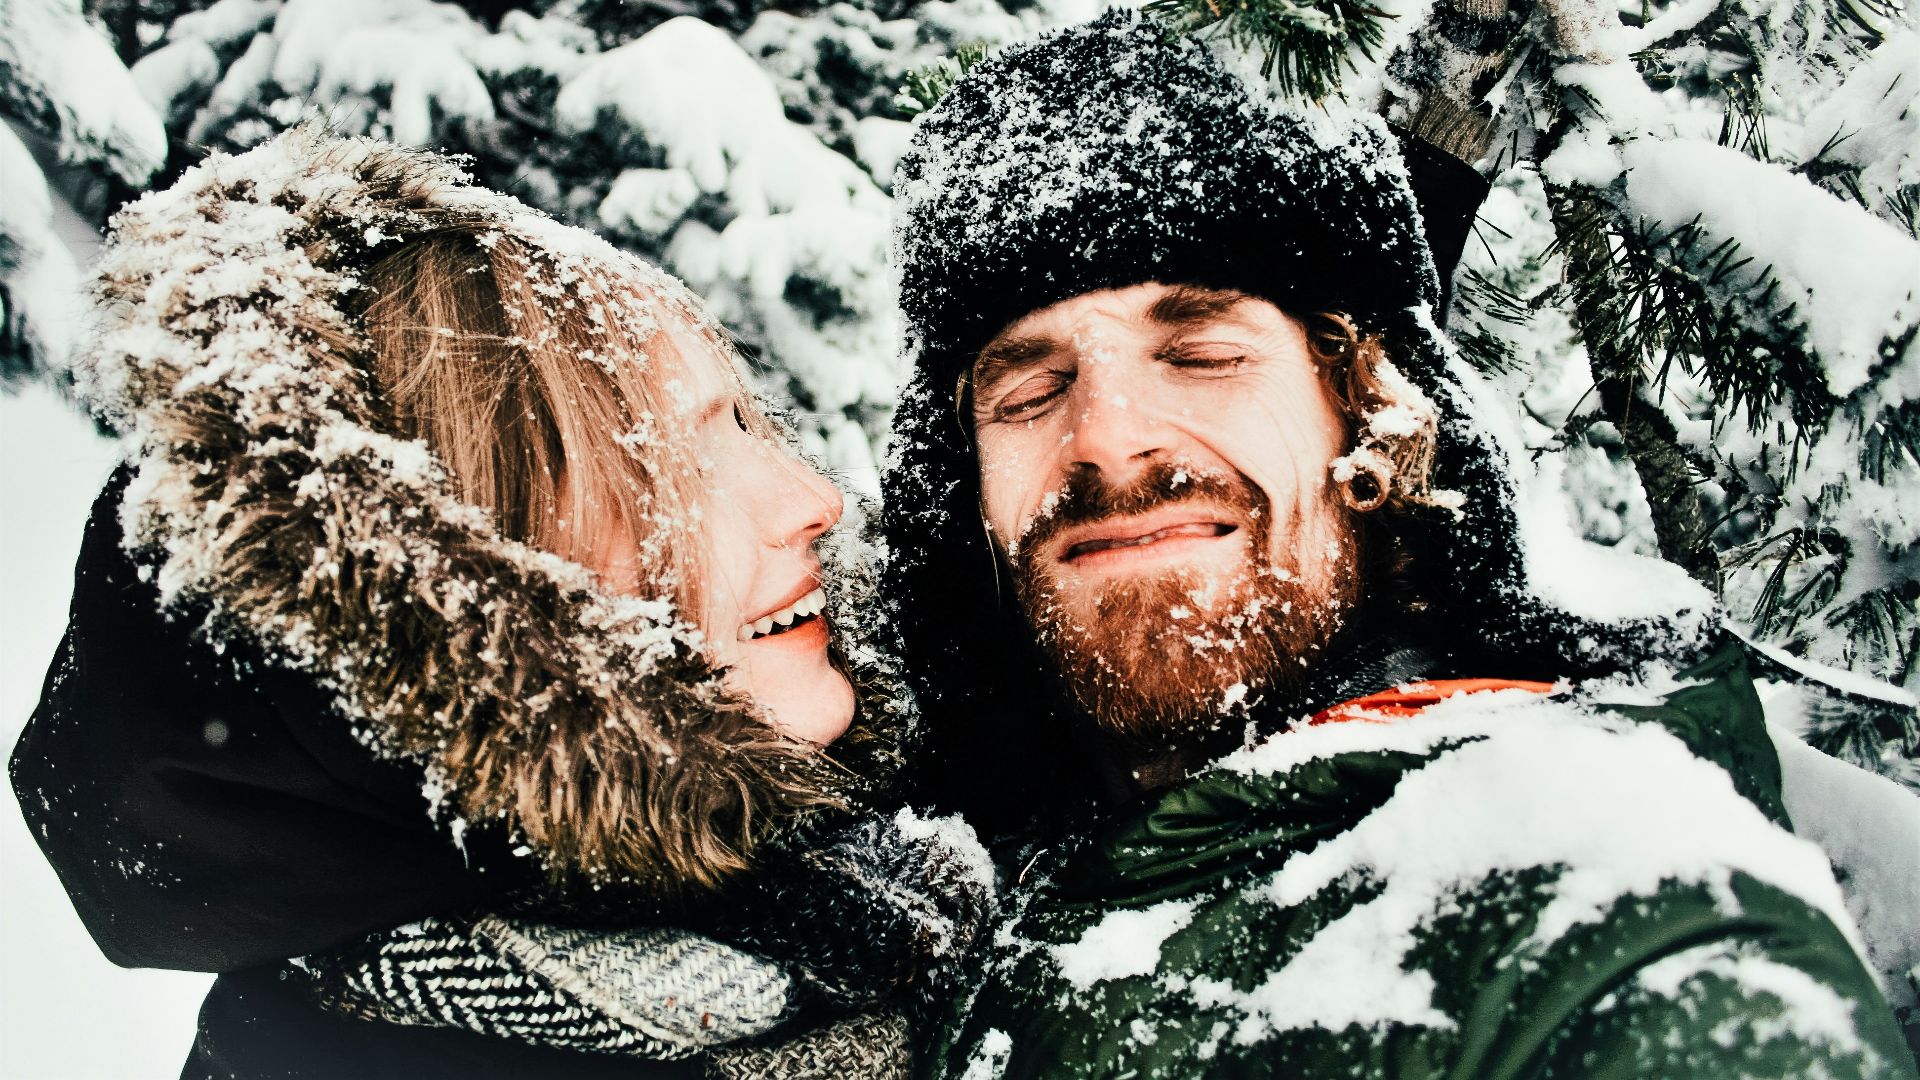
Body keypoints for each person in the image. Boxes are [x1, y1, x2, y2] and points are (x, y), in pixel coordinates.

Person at [880, 12, 1918, 1077]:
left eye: (1201, 353)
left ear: (1367, 416)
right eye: (1032, 387)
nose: (1102, 433)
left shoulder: (1591, 895)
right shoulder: (929, 884)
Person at [10, 127, 988, 1079]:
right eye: (679, 464)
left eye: (745, 422)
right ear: (473, 598)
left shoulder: (893, 870)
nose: (812, 498)